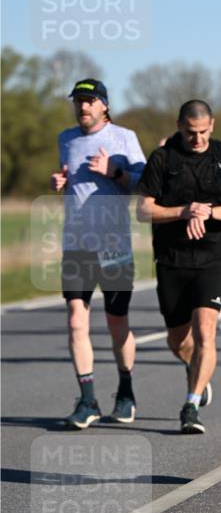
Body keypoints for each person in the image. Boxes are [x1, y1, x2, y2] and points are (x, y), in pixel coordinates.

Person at [137, 100, 221, 434]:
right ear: (179, 126)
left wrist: (210, 212)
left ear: (212, 125)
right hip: (172, 259)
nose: (197, 139)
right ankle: (194, 368)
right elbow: (144, 209)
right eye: (190, 133)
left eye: (202, 132)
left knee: (205, 333)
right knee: (178, 340)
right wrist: (184, 211)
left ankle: (191, 403)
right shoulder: (163, 157)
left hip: (213, 258)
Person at [50, 79, 146, 429]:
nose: (83, 107)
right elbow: (70, 180)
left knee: (116, 321)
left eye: (89, 101)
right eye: (78, 101)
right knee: (76, 319)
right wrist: (59, 184)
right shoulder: (66, 139)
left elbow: (144, 182)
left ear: (104, 104)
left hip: (113, 244)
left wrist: (115, 172)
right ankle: (87, 400)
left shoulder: (124, 138)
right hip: (76, 243)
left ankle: (125, 391)